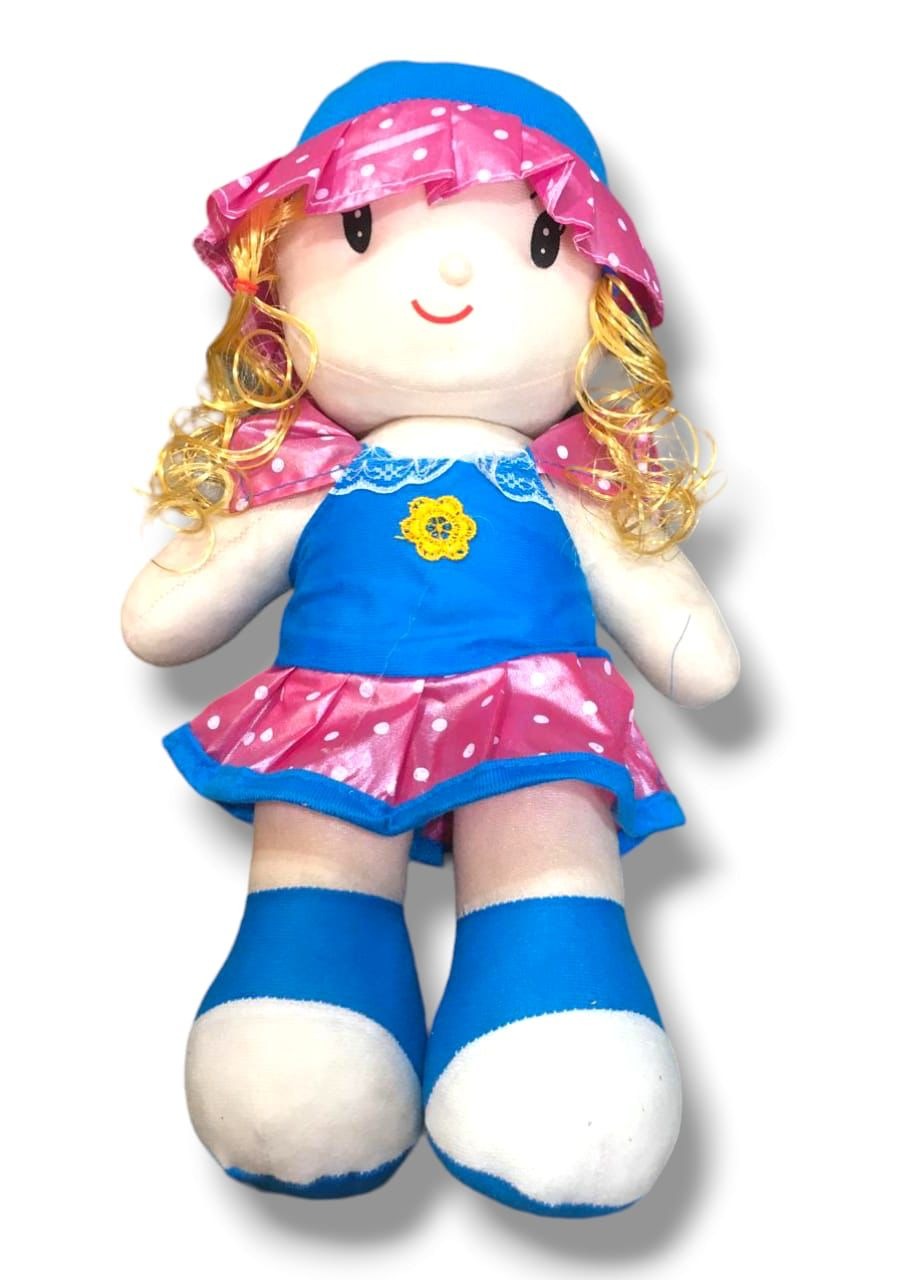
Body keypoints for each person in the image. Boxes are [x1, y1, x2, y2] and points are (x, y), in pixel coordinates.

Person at [122, 60, 739, 1217]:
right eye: (363, 226)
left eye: (535, 244)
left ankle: (557, 1039)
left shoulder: (564, 486)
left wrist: (689, 633)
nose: (452, 271)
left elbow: (682, 632)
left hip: (532, 710)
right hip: (335, 709)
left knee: (545, 844)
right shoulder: (313, 477)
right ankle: (309, 1033)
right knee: (320, 859)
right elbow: (164, 618)